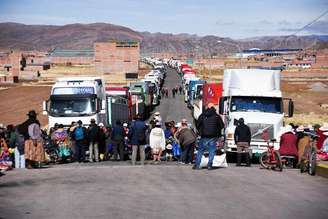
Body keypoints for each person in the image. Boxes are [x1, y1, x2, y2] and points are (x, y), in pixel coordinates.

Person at [194, 103, 224, 170]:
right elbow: (222, 126)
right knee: (212, 151)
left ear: (207, 107)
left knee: (200, 150)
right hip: (213, 136)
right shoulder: (217, 116)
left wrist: (200, 131)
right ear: (213, 107)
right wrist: (217, 131)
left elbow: (197, 124)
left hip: (204, 135)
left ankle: (197, 165)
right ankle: (209, 165)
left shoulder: (203, 115)